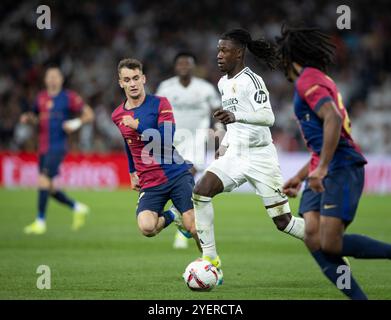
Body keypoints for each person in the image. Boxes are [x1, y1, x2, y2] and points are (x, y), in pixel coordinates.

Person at [277, 24, 391, 300]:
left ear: (289, 58)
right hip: (326, 166)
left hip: (340, 165)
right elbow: (320, 140)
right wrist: (303, 174)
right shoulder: (317, 77)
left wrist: (323, 168)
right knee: (313, 237)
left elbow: (333, 119)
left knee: (331, 242)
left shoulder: (307, 79)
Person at [192, 29, 306, 273]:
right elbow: (234, 124)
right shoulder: (223, 83)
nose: (219, 55)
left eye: (225, 50)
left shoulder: (251, 80)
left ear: (239, 53)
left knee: (283, 222)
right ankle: (210, 259)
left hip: (260, 156)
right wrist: (223, 144)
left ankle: (327, 243)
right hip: (235, 154)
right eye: (218, 50)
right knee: (201, 191)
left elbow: (268, 116)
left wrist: (235, 115)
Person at [112, 58, 201, 249]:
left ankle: (211, 262)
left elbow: (167, 139)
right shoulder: (117, 115)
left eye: (136, 78)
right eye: (127, 80)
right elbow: (128, 143)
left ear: (143, 78)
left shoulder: (161, 103)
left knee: (194, 228)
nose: (132, 83)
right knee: (147, 228)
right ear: (121, 83)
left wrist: (138, 126)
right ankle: (173, 215)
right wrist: (131, 171)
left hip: (176, 174)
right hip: (150, 181)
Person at [156, 52, 221, 249]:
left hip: (196, 140)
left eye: (188, 63)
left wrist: (219, 133)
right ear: (176, 67)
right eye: (180, 63)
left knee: (188, 173)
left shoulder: (205, 88)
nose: (184, 66)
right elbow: (155, 112)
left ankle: (178, 217)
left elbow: (217, 112)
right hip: (172, 140)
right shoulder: (166, 87)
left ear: (193, 67)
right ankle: (182, 218)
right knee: (182, 183)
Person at [21, 66, 94, 234]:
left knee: (43, 181)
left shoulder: (69, 97)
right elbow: (35, 117)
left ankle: (40, 221)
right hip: (43, 148)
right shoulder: (40, 98)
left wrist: (76, 123)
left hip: (58, 146)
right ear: (45, 80)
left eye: (56, 76)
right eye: (50, 76)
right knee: (49, 188)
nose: (53, 79)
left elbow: (89, 114)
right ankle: (77, 207)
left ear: (61, 79)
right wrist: (28, 118)